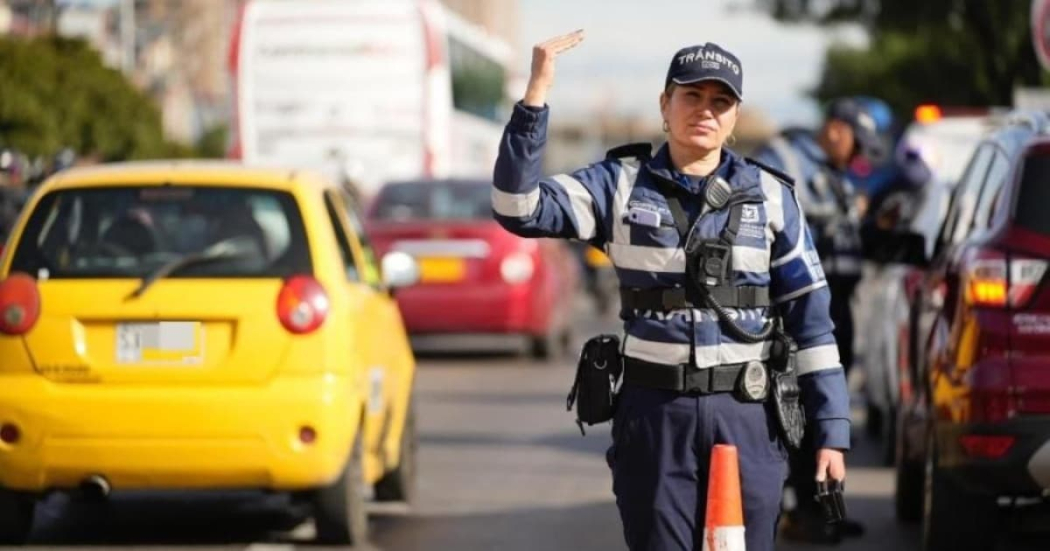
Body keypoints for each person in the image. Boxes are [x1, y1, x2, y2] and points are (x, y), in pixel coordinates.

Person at [492, 32, 850, 551]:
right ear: (665, 104)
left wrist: (831, 432)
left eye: (720, 101)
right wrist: (536, 96)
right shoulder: (617, 184)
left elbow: (813, 326)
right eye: (692, 96)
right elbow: (516, 206)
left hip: (746, 417)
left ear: (734, 118)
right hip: (655, 418)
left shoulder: (773, 198)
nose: (705, 111)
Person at [753, 98, 883, 543]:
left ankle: (825, 509)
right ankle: (799, 511)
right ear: (836, 130)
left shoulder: (834, 172)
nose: (858, 156)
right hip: (799, 312)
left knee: (828, 412)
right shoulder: (784, 159)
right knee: (800, 416)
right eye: (857, 144)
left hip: (836, 307)